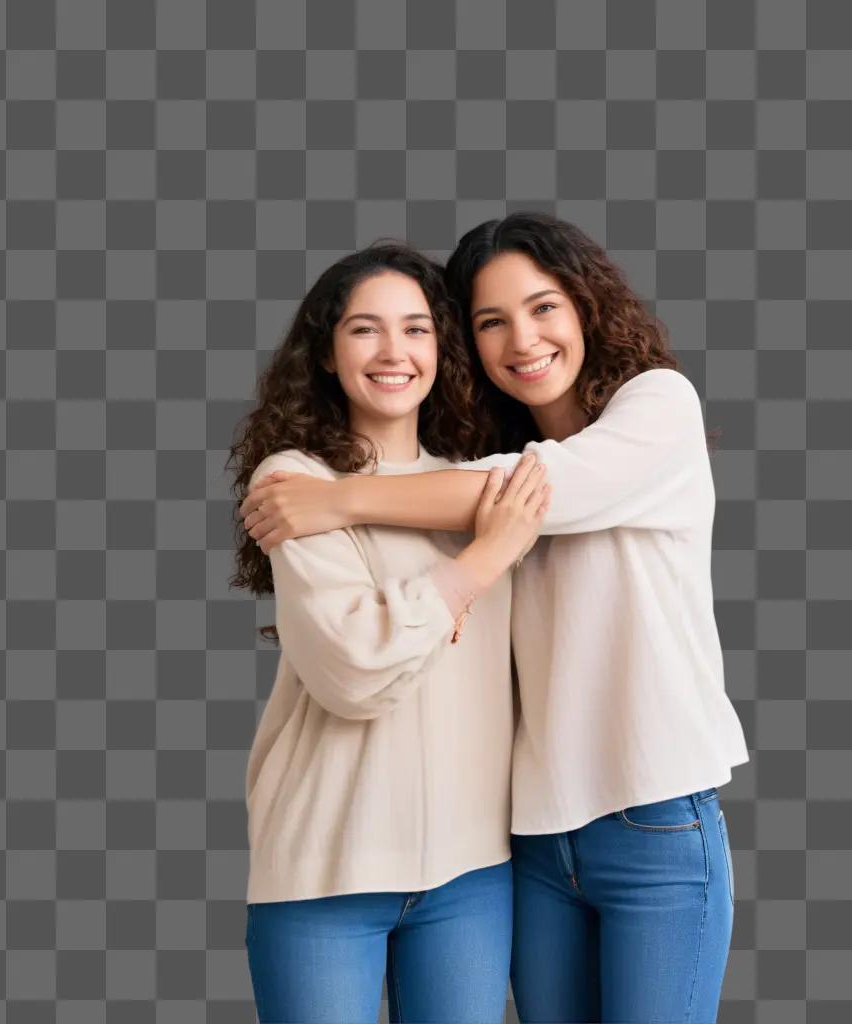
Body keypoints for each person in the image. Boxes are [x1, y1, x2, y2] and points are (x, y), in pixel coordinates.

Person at [241, 213, 752, 1023]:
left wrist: (338, 499)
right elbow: (486, 500)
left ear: (586, 306)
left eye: (544, 307)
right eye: (489, 322)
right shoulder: (467, 471)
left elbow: (535, 489)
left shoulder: (657, 409)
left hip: (652, 821)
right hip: (536, 840)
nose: (523, 338)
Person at [227, 242, 549, 1024]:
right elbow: (352, 672)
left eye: (417, 329)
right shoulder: (295, 481)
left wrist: (440, 579)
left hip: (472, 875)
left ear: (444, 348)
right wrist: (481, 564)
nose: (395, 352)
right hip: (326, 867)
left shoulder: (484, 486)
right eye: (365, 330)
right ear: (329, 355)